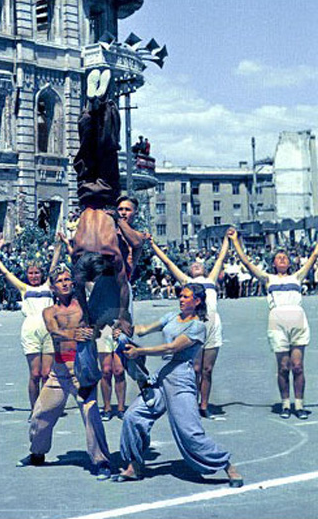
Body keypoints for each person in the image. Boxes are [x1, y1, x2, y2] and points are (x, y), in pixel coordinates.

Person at [113, 283, 243, 487]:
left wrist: (140, 352)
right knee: (133, 416)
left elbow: (172, 347)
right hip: (162, 376)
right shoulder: (172, 316)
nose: (181, 299)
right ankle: (134, 466)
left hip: (181, 379)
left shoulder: (198, 326)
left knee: (189, 432)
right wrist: (123, 330)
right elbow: (144, 329)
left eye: (186, 297)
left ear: (197, 301)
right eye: (180, 296)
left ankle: (227, 465)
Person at [17, 265, 112, 480]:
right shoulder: (49, 312)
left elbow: (100, 325)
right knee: (40, 414)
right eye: (60, 281)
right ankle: (37, 453)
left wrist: (92, 331)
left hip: (81, 370)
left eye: (68, 279)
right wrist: (75, 333)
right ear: (52, 287)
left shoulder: (84, 308)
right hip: (58, 372)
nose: (65, 283)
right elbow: (55, 332)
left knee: (91, 414)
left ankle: (102, 461)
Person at [70, 68, 144, 337]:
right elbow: (117, 286)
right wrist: (120, 315)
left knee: (107, 147)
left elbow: (117, 285)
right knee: (87, 152)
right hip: (88, 199)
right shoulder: (80, 254)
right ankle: (92, 107)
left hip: (106, 199)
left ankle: (102, 105)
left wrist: (88, 319)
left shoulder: (107, 254)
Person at [228, 224, 318, 419]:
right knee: (283, 367)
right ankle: (286, 404)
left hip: (298, 322)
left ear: (289, 263)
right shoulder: (268, 279)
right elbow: (246, 263)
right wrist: (235, 241)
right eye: (279, 257)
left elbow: (313, 257)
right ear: (273, 263)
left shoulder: (297, 277)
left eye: (285, 258)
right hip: (277, 323)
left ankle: (300, 404)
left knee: (298, 366)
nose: (282, 259)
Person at [147, 230, 230, 417]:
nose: (196, 265)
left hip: (213, 325)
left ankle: (204, 405)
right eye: (193, 265)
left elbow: (220, 259)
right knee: (196, 368)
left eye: (199, 264)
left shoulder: (210, 280)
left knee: (208, 369)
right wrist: (152, 245)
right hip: (196, 324)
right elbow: (168, 262)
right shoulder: (188, 282)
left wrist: (226, 239)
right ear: (189, 271)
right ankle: (190, 403)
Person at [0, 241, 62, 412]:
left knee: (46, 374)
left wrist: (58, 248)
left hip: (49, 331)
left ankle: (46, 408)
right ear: (27, 275)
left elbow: (54, 266)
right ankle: (35, 408)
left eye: (37, 273)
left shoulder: (48, 286)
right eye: (31, 273)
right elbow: (5, 272)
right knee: (35, 374)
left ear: (42, 274)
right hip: (30, 332)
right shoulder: (24, 288)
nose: (34, 276)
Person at [97, 194, 147, 421]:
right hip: (102, 288)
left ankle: (120, 406)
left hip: (122, 290)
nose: (123, 212)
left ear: (134, 213)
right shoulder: (107, 231)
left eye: (127, 209)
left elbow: (136, 243)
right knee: (103, 360)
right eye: (120, 209)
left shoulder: (135, 235)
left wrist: (119, 221)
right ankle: (106, 406)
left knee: (120, 353)